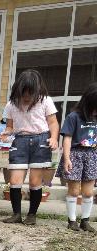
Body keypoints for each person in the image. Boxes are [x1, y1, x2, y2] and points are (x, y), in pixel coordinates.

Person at [0, 69, 59, 225]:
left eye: (30, 93)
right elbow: (10, 126)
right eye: (23, 93)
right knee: (14, 180)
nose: (26, 97)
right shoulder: (12, 104)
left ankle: (32, 215)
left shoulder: (45, 101)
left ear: (37, 91)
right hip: (20, 141)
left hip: (41, 141)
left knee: (34, 181)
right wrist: (6, 133)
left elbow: (53, 122)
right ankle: (16, 214)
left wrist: (53, 138)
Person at [55, 83, 97, 232]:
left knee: (88, 192)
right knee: (73, 191)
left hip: (92, 155)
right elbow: (67, 138)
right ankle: (71, 220)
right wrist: (66, 158)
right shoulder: (74, 117)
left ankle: (85, 220)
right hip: (75, 154)